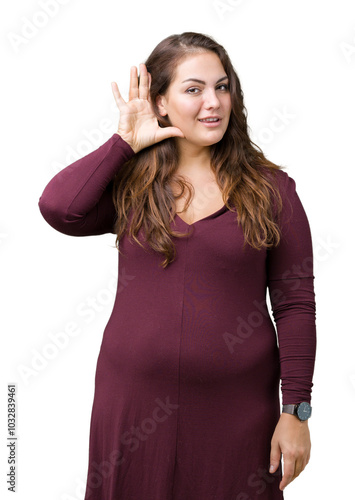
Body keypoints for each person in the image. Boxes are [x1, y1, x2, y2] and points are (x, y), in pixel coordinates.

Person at [38, 32, 317, 500]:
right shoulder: (132, 184)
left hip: (237, 412)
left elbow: (295, 306)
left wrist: (297, 412)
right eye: (194, 89)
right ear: (160, 104)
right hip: (132, 406)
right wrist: (123, 141)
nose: (214, 102)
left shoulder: (272, 191)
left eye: (222, 87)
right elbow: (59, 208)